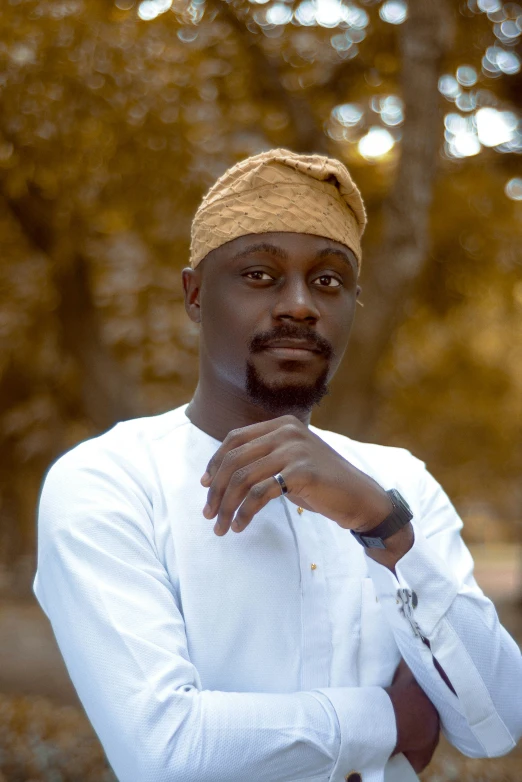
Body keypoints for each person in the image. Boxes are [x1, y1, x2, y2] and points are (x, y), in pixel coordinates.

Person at [33, 149, 522, 782]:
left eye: (328, 281)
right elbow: (166, 751)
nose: (300, 305)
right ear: (194, 295)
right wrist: (391, 718)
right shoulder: (109, 482)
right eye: (260, 274)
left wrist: (383, 527)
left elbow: (496, 727)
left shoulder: (399, 486)